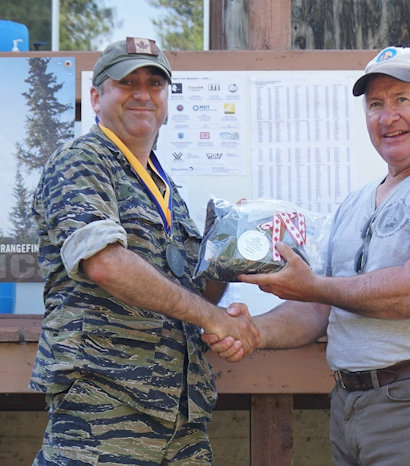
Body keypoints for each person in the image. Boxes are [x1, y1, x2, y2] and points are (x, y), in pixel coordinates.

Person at [204, 46, 410, 465]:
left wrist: (314, 286)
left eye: (402, 99)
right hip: (348, 405)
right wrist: (252, 331)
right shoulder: (355, 202)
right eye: (375, 104)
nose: (388, 116)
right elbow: (317, 309)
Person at [30, 37, 259, 465]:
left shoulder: (166, 188)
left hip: (180, 419)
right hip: (102, 414)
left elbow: (191, 295)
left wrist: (226, 256)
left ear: (167, 101)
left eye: (155, 84)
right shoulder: (82, 161)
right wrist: (213, 319)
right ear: (97, 96)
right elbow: (105, 264)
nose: (142, 94)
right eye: (126, 82)